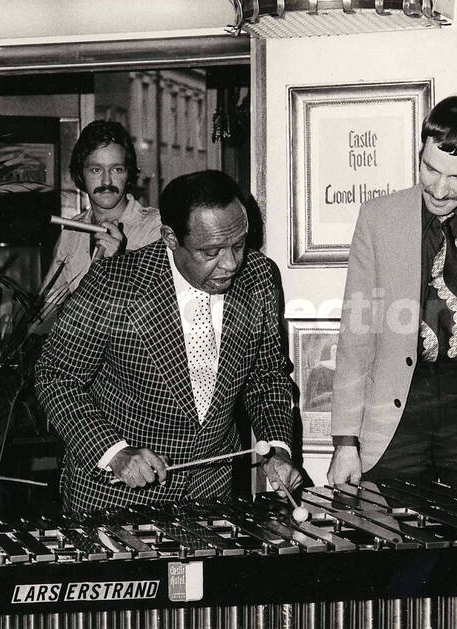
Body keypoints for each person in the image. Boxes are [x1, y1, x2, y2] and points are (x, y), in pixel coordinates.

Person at [36, 169, 301, 513]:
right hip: (116, 495)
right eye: (211, 252)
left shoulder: (259, 275)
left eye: (238, 245)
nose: (232, 263)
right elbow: (56, 376)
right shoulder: (113, 283)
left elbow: (266, 378)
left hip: (210, 491)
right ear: (170, 238)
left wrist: (278, 449)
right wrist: (114, 453)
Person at [328, 95, 457, 504]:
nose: (440, 189)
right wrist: (345, 440)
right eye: (430, 169)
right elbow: (356, 336)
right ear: (421, 151)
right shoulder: (378, 217)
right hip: (397, 414)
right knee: (391, 557)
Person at [45, 120, 161, 297]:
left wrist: (117, 265)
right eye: (95, 170)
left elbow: (157, 310)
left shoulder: (155, 229)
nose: (107, 182)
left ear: (128, 173)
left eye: (117, 169)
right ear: (80, 174)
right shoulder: (71, 231)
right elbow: (49, 305)